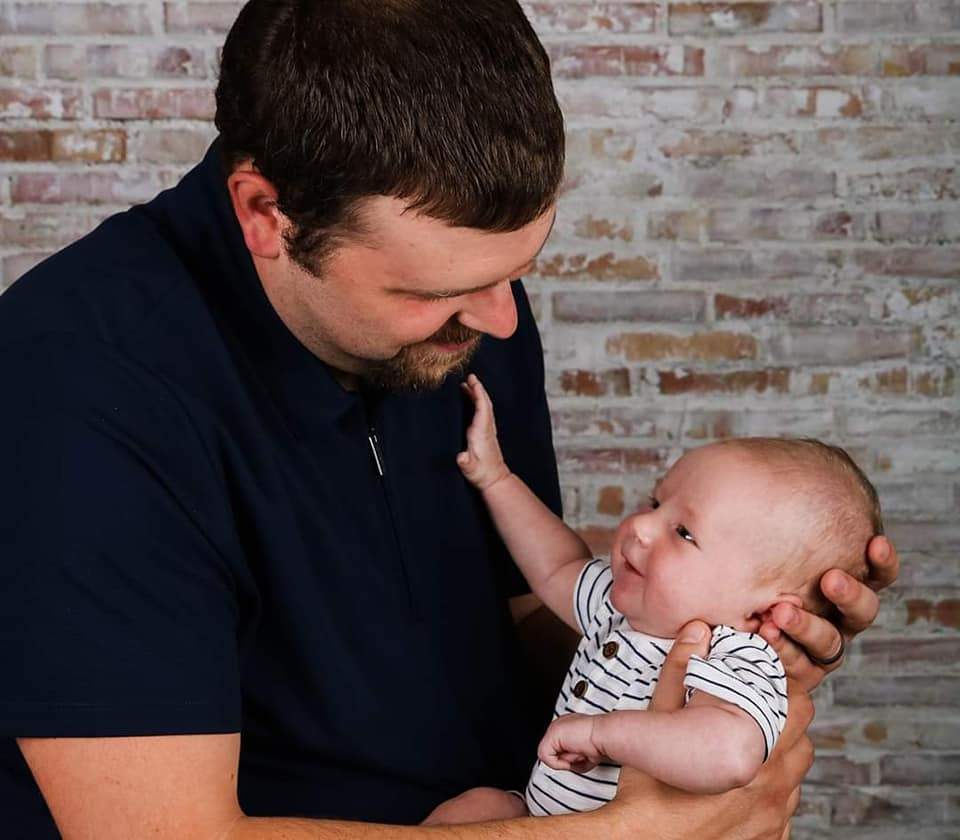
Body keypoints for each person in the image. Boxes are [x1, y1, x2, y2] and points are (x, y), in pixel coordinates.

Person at [0, 1, 897, 838]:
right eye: (438, 289)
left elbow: (520, 626)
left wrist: (714, 644)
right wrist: (629, 834)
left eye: (516, 270)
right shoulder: (74, 393)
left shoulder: (468, 293)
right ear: (267, 214)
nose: (501, 321)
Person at [423, 378, 883, 823]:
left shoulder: (733, 655)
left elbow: (731, 754)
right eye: (654, 503)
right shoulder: (622, 608)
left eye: (683, 532)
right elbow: (555, 566)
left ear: (763, 609)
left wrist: (603, 735)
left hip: (634, 829)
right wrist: (496, 478)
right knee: (477, 808)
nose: (640, 527)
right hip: (542, 819)